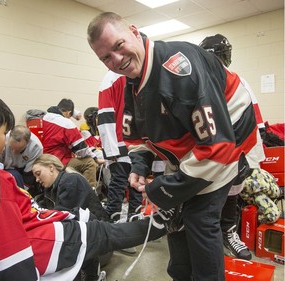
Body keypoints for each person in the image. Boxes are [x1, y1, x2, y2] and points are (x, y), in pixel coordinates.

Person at [87, 12, 263, 281]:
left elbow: (217, 147)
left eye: (118, 46)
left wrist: (163, 189)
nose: (116, 60)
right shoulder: (132, 81)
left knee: (199, 217)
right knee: (175, 218)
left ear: (134, 31)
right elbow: (136, 136)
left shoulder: (180, 68)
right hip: (194, 149)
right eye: (106, 58)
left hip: (232, 140)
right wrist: (140, 165)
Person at [0, 91, 169, 281]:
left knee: (83, 218)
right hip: (40, 244)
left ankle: (160, 224)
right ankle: (164, 224)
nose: (5, 140)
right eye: (3, 133)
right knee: (104, 232)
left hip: (35, 233)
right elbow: (9, 255)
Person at [199, 33, 266, 260]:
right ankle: (205, 235)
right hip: (204, 150)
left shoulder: (238, 81)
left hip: (234, 147)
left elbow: (253, 120)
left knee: (231, 190)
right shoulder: (194, 81)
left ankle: (228, 231)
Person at [32, 153, 109, 280]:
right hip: (94, 238)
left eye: (38, 173)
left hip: (100, 242)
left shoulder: (70, 181)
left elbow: (66, 219)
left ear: (51, 167)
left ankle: (92, 276)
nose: (37, 179)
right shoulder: (51, 188)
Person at [97, 71, 143, 222]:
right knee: (129, 184)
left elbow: (105, 114)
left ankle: (120, 222)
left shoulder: (114, 78)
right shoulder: (116, 77)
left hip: (125, 142)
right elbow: (106, 114)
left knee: (128, 184)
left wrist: (110, 148)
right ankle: (118, 222)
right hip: (129, 142)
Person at [42, 98, 104, 188]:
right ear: (68, 112)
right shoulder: (67, 124)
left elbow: (61, 108)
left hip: (48, 157)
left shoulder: (47, 116)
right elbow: (82, 150)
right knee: (90, 163)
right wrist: (96, 159)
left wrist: (73, 114)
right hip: (60, 160)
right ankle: (88, 196)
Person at [0, 124, 43, 191]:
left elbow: (28, 175)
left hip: (24, 170)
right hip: (3, 168)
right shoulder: (2, 139)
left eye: (19, 149)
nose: (13, 152)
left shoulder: (36, 148)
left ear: (28, 143)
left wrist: (23, 192)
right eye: (11, 148)